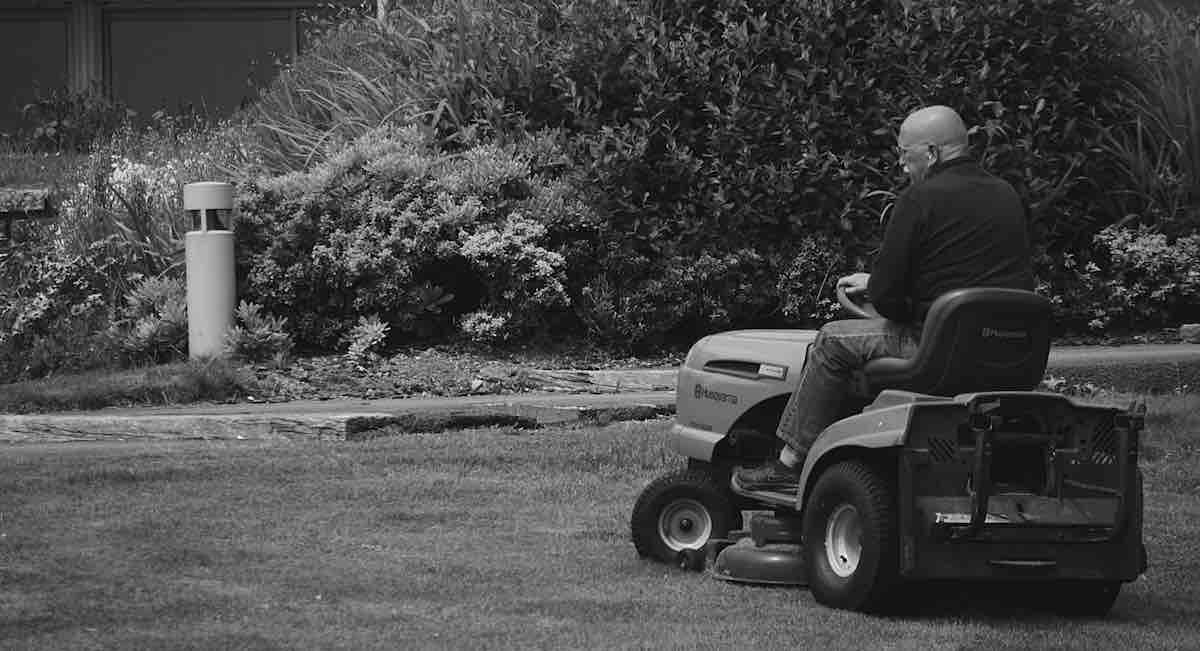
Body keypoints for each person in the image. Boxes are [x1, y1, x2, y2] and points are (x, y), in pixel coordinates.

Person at [732, 104, 1035, 493]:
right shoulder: (1006, 195)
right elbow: (968, 269)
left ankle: (790, 463)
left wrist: (880, 291)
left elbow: (890, 303)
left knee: (831, 341)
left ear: (931, 153)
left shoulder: (919, 199)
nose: (901, 166)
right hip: (1006, 349)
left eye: (905, 156)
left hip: (937, 350)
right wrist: (878, 283)